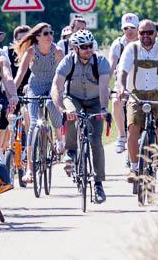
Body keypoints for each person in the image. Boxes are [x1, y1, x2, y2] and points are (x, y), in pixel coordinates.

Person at [117, 19, 158, 182]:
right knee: (132, 128)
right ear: (138, 34)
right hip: (136, 94)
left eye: (149, 32)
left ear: (156, 33)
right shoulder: (130, 49)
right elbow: (122, 71)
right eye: (142, 33)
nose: (146, 36)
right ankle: (133, 168)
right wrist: (122, 89)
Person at [51, 30, 111, 203]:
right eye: (83, 47)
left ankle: (98, 184)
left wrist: (103, 109)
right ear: (75, 48)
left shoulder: (100, 62)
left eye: (90, 46)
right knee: (71, 114)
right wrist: (62, 108)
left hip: (95, 101)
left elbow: (104, 88)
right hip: (73, 98)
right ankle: (70, 151)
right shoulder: (67, 61)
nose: (88, 49)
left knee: (96, 141)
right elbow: (56, 87)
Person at [14, 22, 63, 184]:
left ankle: (58, 140)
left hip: (52, 86)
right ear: (37, 37)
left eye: (51, 32)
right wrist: (12, 93)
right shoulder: (31, 51)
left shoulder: (57, 51)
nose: (50, 36)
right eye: (46, 33)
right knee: (34, 124)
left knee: (50, 104)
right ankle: (29, 169)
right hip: (34, 87)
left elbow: (64, 74)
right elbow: (21, 73)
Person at [108, 13, 140, 154]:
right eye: (126, 28)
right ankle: (121, 135)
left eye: (132, 27)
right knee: (116, 101)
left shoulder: (143, 41)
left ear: (138, 27)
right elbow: (111, 64)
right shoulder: (118, 44)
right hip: (123, 82)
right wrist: (104, 84)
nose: (129, 31)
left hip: (141, 81)